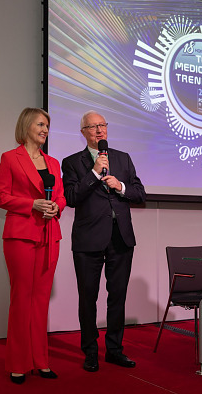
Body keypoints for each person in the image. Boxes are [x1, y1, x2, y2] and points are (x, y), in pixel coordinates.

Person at [62, 110, 146, 373]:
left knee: (117, 297)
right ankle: (90, 351)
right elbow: (71, 197)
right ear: (83, 132)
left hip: (121, 237)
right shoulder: (72, 162)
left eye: (102, 125)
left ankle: (114, 350)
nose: (99, 130)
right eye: (92, 126)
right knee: (88, 298)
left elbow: (139, 193)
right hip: (88, 240)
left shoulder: (123, 158)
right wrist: (94, 174)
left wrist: (120, 186)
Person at [0, 107, 66, 384]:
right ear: (26, 126)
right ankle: (18, 364)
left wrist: (55, 207)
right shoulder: (10, 158)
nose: (45, 129)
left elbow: (60, 196)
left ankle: (40, 361)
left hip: (49, 235)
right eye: (40, 124)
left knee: (40, 300)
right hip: (21, 236)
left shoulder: (53, 162)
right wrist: (32, 204)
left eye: (47, 125)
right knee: (22, 299)